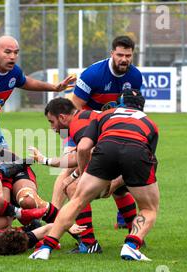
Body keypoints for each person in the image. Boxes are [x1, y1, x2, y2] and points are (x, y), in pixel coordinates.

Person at [30, 89, 159, 261]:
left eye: (51, 122)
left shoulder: (95, 117)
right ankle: (132, 244)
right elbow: (149, 159)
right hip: (135, 154)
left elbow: (84, 149)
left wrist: (84, 175)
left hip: (106, 151)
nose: (52, 127)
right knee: (148, 208)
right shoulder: (150, 124)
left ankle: (49, 247)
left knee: (76, 196)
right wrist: (114, 182)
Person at [69, 35, 143, 228]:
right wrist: (77, 134)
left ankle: (124, 218)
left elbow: (134, 109)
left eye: (128, 55)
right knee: (69, 172)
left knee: (121, 168)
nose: (124, 59)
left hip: (113, 129)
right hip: (87, 126)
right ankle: (56, 214)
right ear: (112, 53)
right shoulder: (93, 74)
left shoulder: (135, 76)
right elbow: (75, 107)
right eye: (120, 55)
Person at [0, 35, 76, 148]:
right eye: (8, 52)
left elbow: (26, 81)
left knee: (5, 163)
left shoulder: (14, 72)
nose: (12, 57)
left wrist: (54, 87)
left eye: (16, 53)